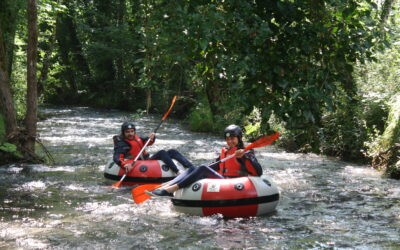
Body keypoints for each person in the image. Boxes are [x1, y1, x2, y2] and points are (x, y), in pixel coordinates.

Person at [147, 124, 263, 197]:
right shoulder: (226, 151)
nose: (229, 142)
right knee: (194, 168)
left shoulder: (246, 152)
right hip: (223, 180)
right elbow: (216, 166)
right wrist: (199, 170)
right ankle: (165, 188)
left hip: (233, 184)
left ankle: (173, 189)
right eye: (227, 139)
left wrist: (245, 156)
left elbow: (258, 172)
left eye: (232, 139)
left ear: (239, 138)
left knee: (201, 169)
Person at [113, 122, 193, 173]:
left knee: (172, 151)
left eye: (132, 131)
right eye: (127, 132)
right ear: (123, 133)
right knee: (162, 152)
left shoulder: (137, 138)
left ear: (134, 131)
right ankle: (178, 172)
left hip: (146, 160)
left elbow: (148, 142)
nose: (130, 134)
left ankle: (192, 168)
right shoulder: (122, 144)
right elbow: (117, 158)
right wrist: (124, 165)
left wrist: (152, 137)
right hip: (137, 163)